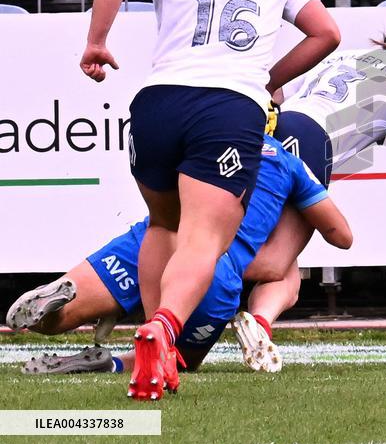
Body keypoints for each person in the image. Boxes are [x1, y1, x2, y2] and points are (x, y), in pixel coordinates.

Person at [78, 0, 341, 401]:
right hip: (227, 108)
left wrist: (96, 43)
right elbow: (327, 33)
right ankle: (166, 329)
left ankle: (156, 337)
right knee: (203, 238)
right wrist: (267, 81)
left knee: (163, 224)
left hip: (156, 102)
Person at [225, 26, 386, 347]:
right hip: (310, 145)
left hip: (272, 132)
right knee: (276, 261)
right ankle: (196, 266)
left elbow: (274, 93)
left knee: (284, 269)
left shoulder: (345, 57)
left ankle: (260, 324)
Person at [7, 136, 352, 375]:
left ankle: (53, 300)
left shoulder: (201, 135)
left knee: (56, 322)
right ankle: (114, 364)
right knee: (178, 360)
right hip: (211, 265)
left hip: (149, 239)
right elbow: (341, 236)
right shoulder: (291, 164)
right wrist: (297, 210)